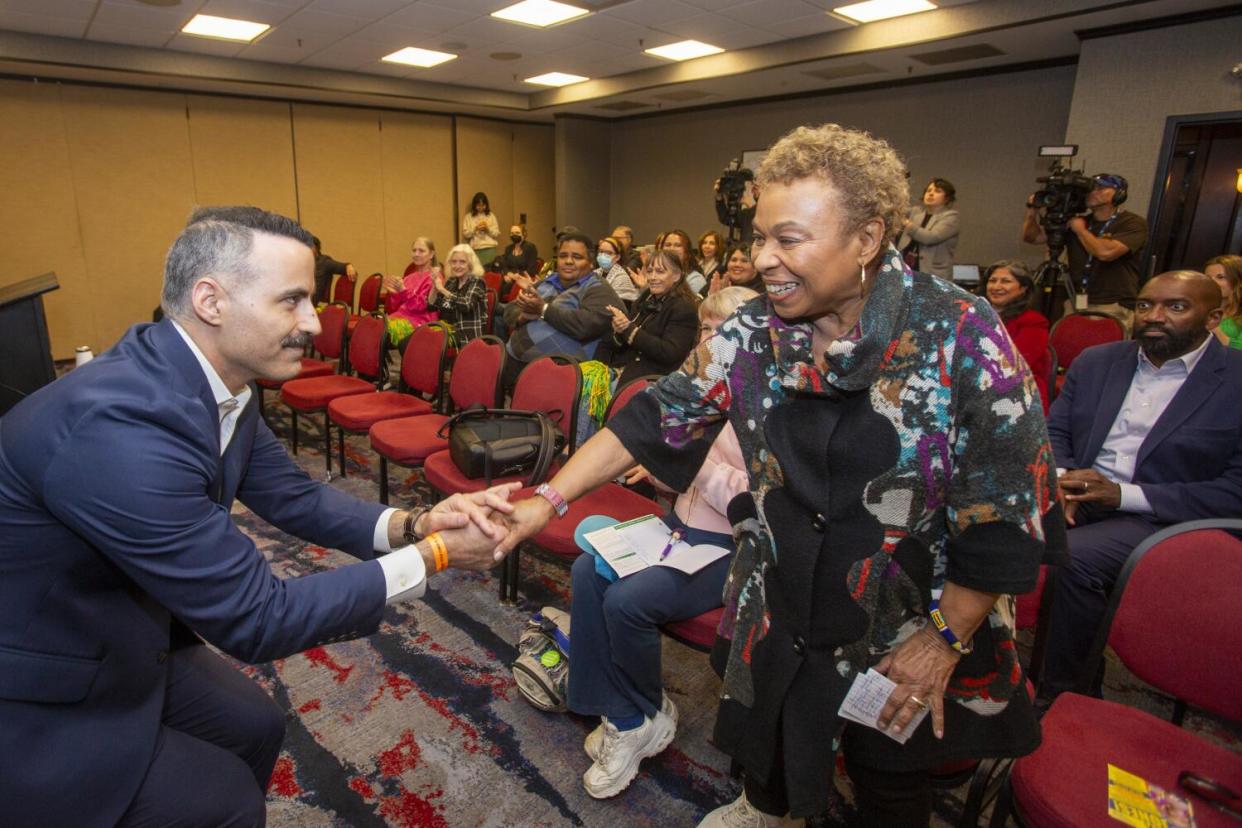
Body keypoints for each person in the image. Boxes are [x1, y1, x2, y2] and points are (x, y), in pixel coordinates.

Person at [497, 124, 1055, 826]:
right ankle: (764, 808)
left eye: (787, 240)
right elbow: (652, 420)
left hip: (909, 619)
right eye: (759, 238)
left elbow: (1006, 506)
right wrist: (546, 499)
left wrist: (943, 637)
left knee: (888, 782)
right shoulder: (752, 331)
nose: (762, 260)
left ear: (868, 238)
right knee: (774, 742)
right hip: (783, 602)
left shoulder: (960, 332)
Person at [0, 206, 521, 828]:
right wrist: (437, 556)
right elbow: (257, 617)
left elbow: (296, 498)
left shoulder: (223, 386)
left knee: (257, 725)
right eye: (293, 301)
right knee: (225, 803)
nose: (314, 323)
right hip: (40, 688)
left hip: (124, 627)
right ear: (211, 301)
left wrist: (417, 526)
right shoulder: (120, 429)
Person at [568, 287, 757, 800]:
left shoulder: (766, 407)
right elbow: (681, 485)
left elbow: (761, 500)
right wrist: (659, 473)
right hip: (675, 529)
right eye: (705, 330)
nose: (710, 341)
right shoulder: (694, 395)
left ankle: (640, 714)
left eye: (724, 331)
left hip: (730, 550)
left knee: (630, 600)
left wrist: (696, 464)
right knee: (588, 570)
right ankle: (627, 716)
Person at [1041, 270, 1242, 700]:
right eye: (1144, 305)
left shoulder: (1236, 381)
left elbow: (1235, 489)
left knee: (1073, 559)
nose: (1154, 316)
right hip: (1077, 493)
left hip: (1165, 515)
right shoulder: (1098, 362)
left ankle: (1062, 697)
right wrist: (1064, 481)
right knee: (977, 520)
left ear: (1214, 318)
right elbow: (1053, 433)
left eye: (1176, 306)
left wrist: (1122, 495)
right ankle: (975, 668)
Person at [1022, 173, 1149, 329]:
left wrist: (1080, 230)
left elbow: (1105, 253)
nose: (1093, 192)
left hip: (1112, 304)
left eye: (1101, 188)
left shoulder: (1132, 223)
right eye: (1091, 188)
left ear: (1119, 194)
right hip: (1077, 301)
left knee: (1105, 352)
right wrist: (1031, 210)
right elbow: (1032, 238)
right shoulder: (1080, 221)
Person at [501, 232, 621, 391]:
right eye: (563, 256)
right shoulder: (547, 282)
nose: (569, 261)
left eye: (577, 257)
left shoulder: (598, 288)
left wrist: (543, 309)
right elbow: (509, 311)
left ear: (591, 263)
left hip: (561, 378)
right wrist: (523, 317)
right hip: (516, 364)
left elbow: (586, 325)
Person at [596, 249, 699, 388]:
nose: (652, 277)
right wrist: (619, 330)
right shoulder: (646, 298)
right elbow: (620, 343)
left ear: (677, 276)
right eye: (650, 271)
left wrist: (630, 330)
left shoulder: (684, 307)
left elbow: (670, 353)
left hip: (653, 379)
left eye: (660, 271)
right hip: (625, 368)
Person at [984, 259, 1051, 413]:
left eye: (1005, 281)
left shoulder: (1033, 322)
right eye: (992, 281)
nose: (996, 287)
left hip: (1019, 392)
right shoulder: (974, 315)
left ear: (1023, 289)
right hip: (978, 386)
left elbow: (1016, 364)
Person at [382, 237, 441, 349]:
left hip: (421, 321)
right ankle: (374, 365)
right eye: (414, 250)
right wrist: (394, 294)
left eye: (421, 251)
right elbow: (395, 307)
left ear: (432, 254)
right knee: (373, 326)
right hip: (402, 317)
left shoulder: (434, 277)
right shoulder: (409, 277)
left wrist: (403, 291)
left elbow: (421, 306)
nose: (416, 254)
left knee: (381, 329)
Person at [896, 177, 960, 280]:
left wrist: (907, 223)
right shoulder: (916, 212)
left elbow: (930, 238)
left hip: (933, 275)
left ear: (947, 198)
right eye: (928, 191)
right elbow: (896, 210)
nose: (930, 194)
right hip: (906, 271)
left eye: (937, 191)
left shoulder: (951, 217)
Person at [428, 244, 488, 345]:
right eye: (454, 262)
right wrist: (434, 286)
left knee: (428, 344)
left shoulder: (477, 282)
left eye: (462, 262)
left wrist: (442, 289)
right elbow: (431, 306)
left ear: (470, 264)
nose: (457, 266)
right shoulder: (452, 281)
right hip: (445, 329)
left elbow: (466, 305)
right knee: (409, 342)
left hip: (465, 334)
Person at [1205, 254, 1242, 349]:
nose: (1211, 282)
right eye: (1207, 277)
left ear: (1238, 281)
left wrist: (1213, 326)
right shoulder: (1196, 308)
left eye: (1220, 277)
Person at [311, 235, 357, 305]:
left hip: (311, 302)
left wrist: (349, 266)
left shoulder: (324, 262)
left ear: (316, 248)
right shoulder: (303, 262)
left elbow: (343, 267)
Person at [660, 229, 706, 295]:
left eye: (677, 245)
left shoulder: (695, 279)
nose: (672, 249)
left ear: (686, 253)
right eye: (668, 245)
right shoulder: (656, 276)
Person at [596, 235, 639, 305]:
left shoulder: (621, 277)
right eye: (601, 251)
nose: (603, 255)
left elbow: (616, 305)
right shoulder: (595, 273)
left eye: (609, 253)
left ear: (617, 257)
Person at [461, 191, 500, 266]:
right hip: (475, 248)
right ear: (474, 205)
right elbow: (466, 234)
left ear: (486, 205)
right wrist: (475, 229)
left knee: (489, 273)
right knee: (476, 273)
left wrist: (487, 229)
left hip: (489, 248)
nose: (481, 207)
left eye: (483, 205)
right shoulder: (468, 217)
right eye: (478, 205)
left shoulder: (491, 216)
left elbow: (496, 233)